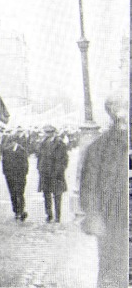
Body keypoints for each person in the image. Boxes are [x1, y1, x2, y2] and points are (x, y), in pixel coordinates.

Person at [80, 91, 128, 288]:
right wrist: (94, 216)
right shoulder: (99, 148)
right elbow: (89, 187)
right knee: (113, 273)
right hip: (115, 222)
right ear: (115, 112)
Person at [36, 124, 68, 223]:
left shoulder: (59, 143)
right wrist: (39, 168)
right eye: (46, 133)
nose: (46, 134)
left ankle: (58, 216)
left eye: (48, 133)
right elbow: (40, 157)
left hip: (56, 174)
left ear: (53, 133)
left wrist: (59, 171)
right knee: (46, 195)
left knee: (57, 196)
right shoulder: (43, 143)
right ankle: (49, 215)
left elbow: (64, 159)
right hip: (45, 174)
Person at [1, 128, 29, 221]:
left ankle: (21, 211)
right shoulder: (7, 150)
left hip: (20, 176)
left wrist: (24, 173)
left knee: (19, 193)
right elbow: (4, 163)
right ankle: (17, 211)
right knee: (13, 193)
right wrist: (6, 174)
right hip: (10, 176)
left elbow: (25, 164)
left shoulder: (21, 150)